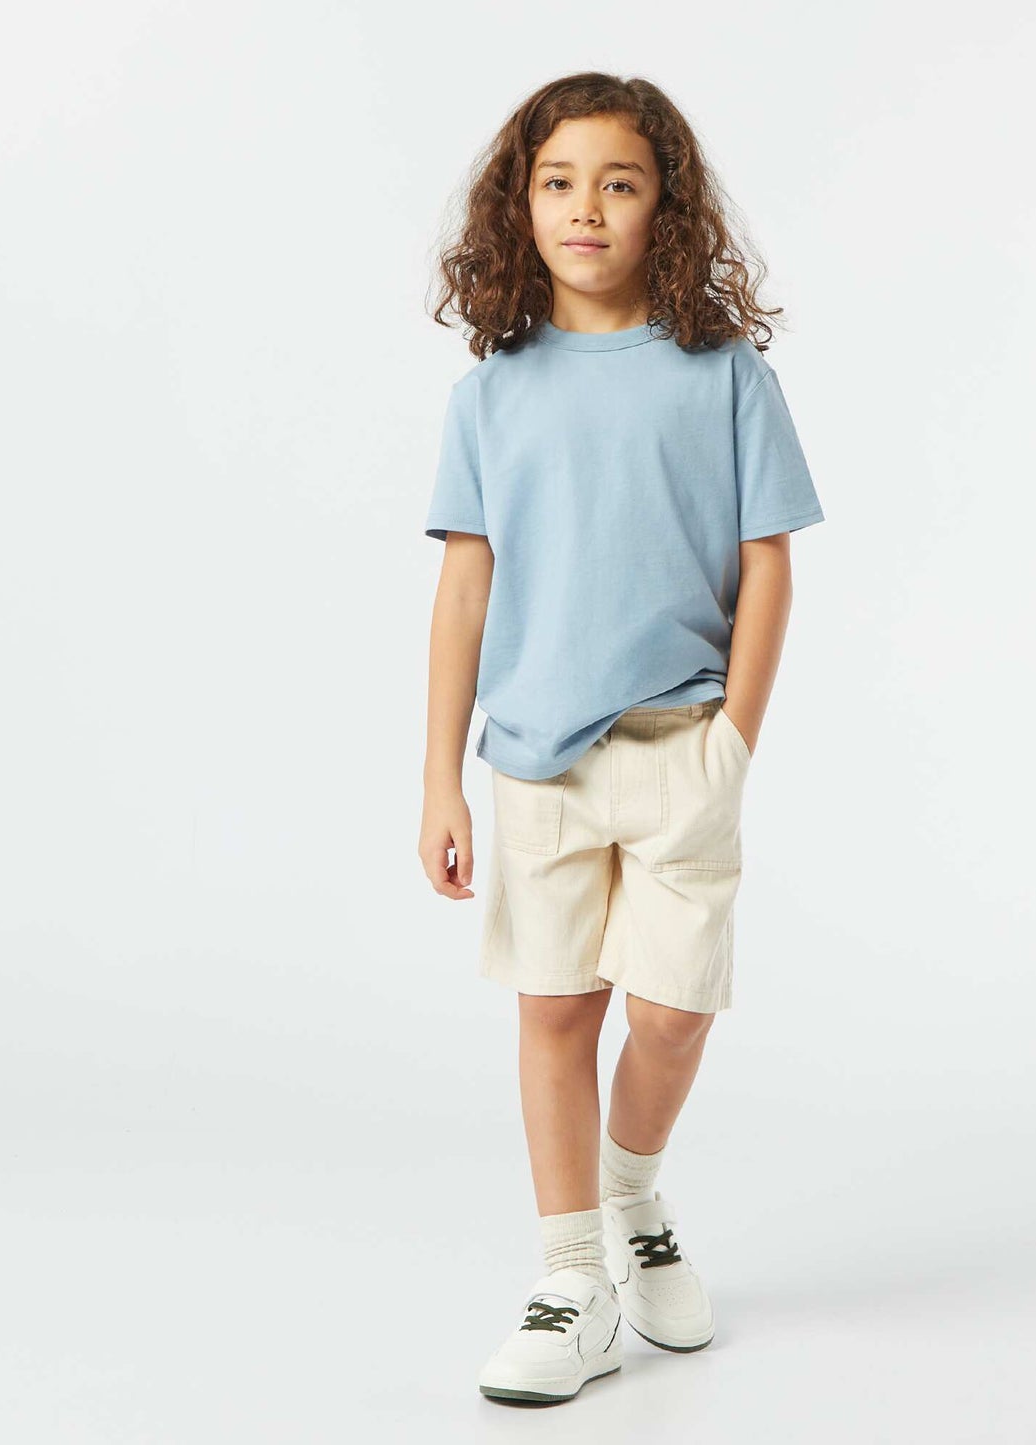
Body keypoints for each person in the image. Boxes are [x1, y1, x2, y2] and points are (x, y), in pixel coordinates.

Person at [419, 72, 825, 1406]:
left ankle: (632, 1192)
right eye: (557, 181)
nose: (584, 207)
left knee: (669, 1011)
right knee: (555, 1009)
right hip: (534, 759)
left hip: (680, 746)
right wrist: (441, 777)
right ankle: (570, 1278)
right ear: (519, 205)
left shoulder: (723, 375)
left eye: (619, 182)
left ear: (667, 207)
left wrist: (732, 743)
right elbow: (464, 588)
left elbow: (766, 564)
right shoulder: (492, 392)